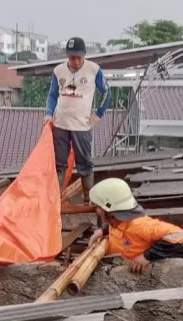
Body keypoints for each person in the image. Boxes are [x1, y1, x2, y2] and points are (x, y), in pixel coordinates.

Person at [43, 36, 112, 203]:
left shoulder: (93, 70)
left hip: (81, 125)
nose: (74, 61)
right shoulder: (58, 71)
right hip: (60, 124)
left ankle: (89, 199)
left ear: (84, 55)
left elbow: (107, 92)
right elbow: (52, 94)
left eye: (78, 57)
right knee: (60, 164)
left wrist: (99, 114)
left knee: (85, 164)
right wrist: (49, 113)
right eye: (71, 57)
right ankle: (55, 200)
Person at [87, 178, 183, 274]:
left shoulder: (140, 225)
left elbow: (178, 234)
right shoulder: (116, 219)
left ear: (110, 211)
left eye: (97, 207)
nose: (96, 210)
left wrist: (146, 257)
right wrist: (103, 230)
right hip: (117, 265)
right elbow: (114, 225)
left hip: (134, 274)